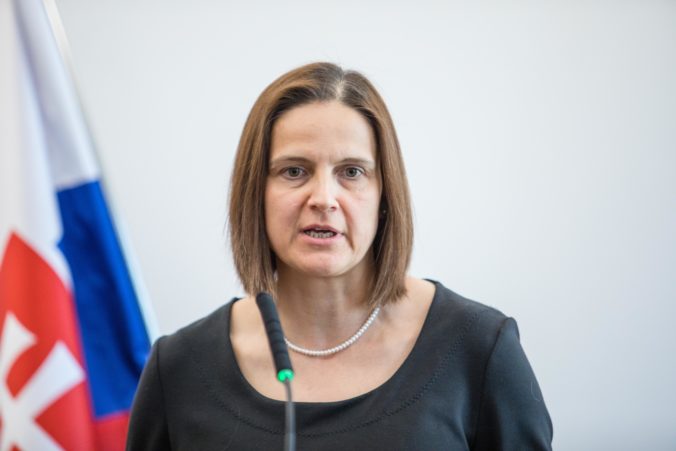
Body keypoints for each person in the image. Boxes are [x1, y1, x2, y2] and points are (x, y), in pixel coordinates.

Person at [126, 62, 553, 450]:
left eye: (351, 172)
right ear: (255, 193)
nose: (324, 198)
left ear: (384, 195)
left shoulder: (478, 348)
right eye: (294, 171)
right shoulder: (177, 369)